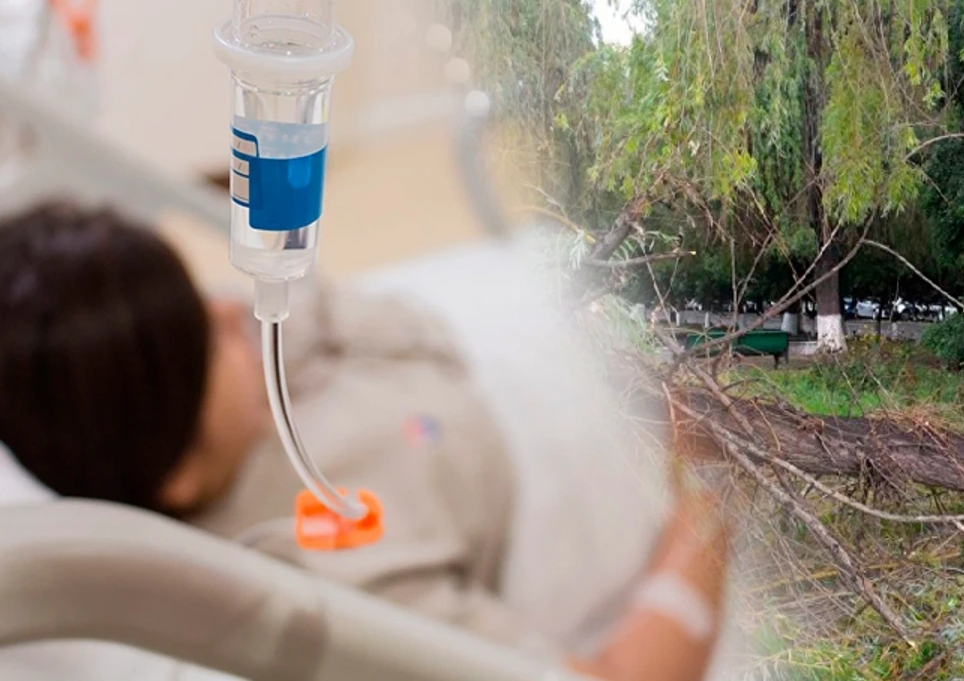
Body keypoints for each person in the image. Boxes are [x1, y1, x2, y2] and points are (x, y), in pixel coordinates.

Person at [0, 202, 730, 681]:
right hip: (608, 443)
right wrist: (711, 497)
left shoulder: (256, 364)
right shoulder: (317, 568)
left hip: (575, 330)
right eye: (205, 338)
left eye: (202, 298)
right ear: (180, 479)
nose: (230, 313)